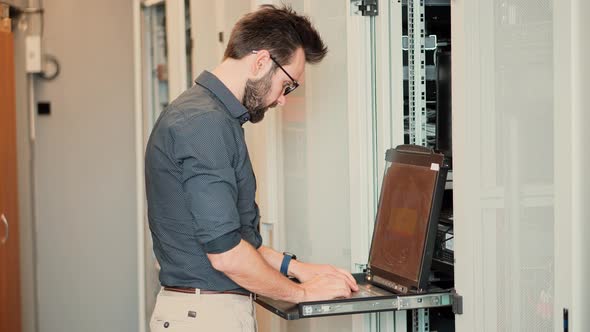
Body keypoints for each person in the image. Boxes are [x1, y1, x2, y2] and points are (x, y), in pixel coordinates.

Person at [145, 5, 358, 331]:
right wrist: (301, 292)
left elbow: (238, 240)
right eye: (287, 85)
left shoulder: (210, 116)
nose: (282, 99)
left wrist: (298, 268)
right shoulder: (204, 124)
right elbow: (227, 254)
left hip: (205, 311)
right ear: (261, 62)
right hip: (206, 317)